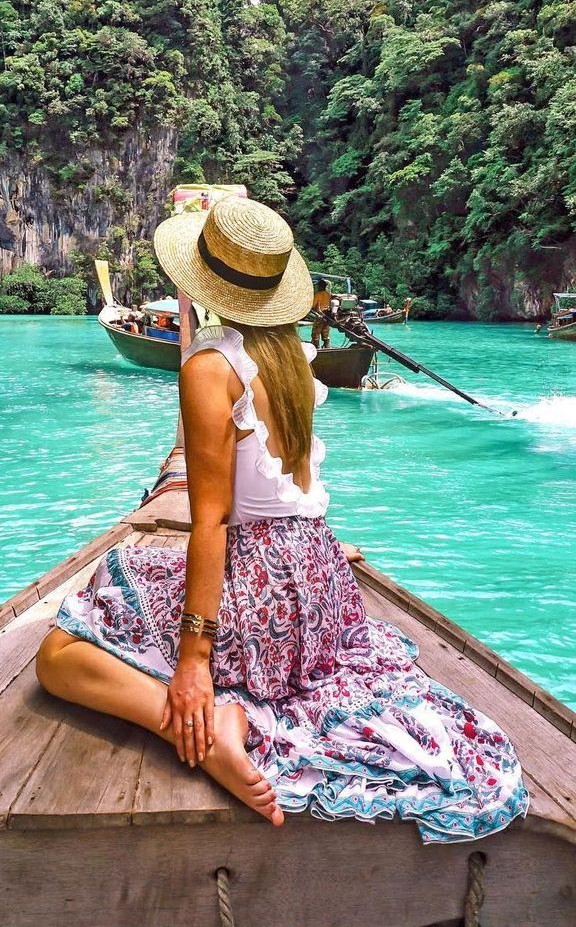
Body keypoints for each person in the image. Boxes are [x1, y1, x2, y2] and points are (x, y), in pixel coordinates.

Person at [36, 197, 527, 841]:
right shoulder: (291, 353)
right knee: (125, 570)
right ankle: (223, 703)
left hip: (262, 584)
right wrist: (322, 550)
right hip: (315, 578)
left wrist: (193, 661)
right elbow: (294, 480)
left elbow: (211, 520)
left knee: (59, 655)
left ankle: (209, 730)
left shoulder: (210, 368)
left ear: (201, 279)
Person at [311, 279, 331, 348]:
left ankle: (316, 347)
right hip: (327, 316)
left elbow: (313, 305)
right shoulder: (328, 294)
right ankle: (327, 346)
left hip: (320, 316)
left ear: (320, 286)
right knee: (326, 332)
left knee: (316, 333)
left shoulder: (318, 295)